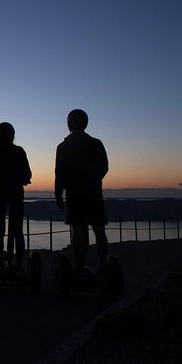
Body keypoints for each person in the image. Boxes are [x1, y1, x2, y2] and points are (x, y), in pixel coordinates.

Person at [55, 109, 109, 274]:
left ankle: (79, 268)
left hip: (74, 193)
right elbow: (104, 167)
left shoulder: (63, 147)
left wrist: (59, 194)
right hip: (94, 192)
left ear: (69, 124)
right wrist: (93, 180)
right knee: (99, 230)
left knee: (78, 230)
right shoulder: (96, 143)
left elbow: (60, 173)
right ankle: (103, 266)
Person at [0, 122, 32, 273]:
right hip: (16, 194)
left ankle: (0, 262)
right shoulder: (19, 151)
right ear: (12, 135)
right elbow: (27, 174)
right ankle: (18, 264)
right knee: (17, 230)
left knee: (0, 230)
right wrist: (21, 179)